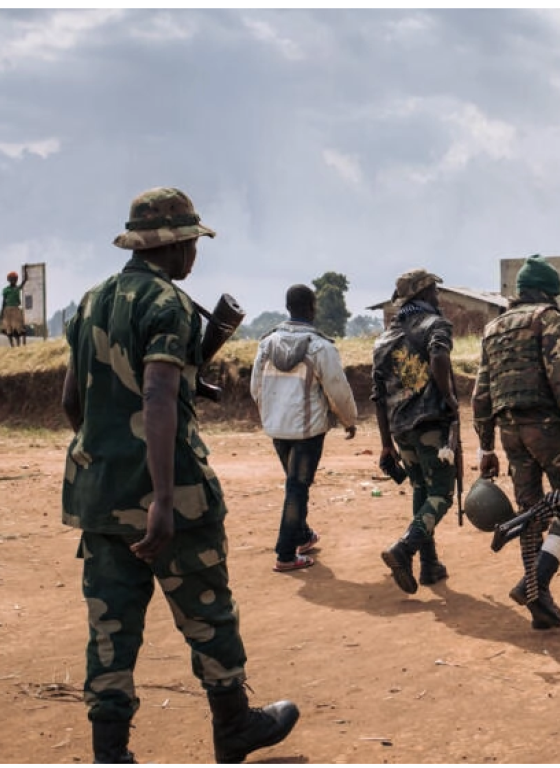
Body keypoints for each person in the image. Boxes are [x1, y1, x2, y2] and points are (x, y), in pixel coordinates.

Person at [60, 187, 299, 763]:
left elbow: (74, 402)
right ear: (174, 244)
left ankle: (110, 752)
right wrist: (162, 498)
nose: (195, 253)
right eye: (192, 241)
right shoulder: (167, 303)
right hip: (172, 496)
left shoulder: (92, 300)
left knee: (110, 630)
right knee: (208, 610)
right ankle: (234, 725)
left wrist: (108, 447)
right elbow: (159, 390)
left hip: (99, 494)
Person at [473, 254, 560, 630]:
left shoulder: (493, 327)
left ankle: (539, 601)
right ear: (549, 292)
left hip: (509, 431)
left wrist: (486, 447)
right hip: (547, 428)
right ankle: (538, 581)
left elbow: (481, 393)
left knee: (530, 512)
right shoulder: (546, 318)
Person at [250, 284, 359, 572]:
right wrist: (349, 420)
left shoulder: (266, 344)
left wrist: (271, 414)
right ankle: (286, 554)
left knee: (294, 486)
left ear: (288, 307)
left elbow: (255, 388)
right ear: (312, 307)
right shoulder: (320, 347)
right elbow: (337, 390)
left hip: (277, 428)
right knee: (297, 488)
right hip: (308, 432)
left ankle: (303, 534)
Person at [372, 269, 459, 595]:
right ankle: (405, 549)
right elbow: (438, 355)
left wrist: (385, 444)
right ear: (425, 293)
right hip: (430, 425)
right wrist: (449, 398)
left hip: (400, 430)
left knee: (421, 489)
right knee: (441, 494)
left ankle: (429, 564)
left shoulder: (383, 340)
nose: (438, 297)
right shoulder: (435, 325)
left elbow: (378, 397)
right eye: (435, 290)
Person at [2, 267, 27, 347]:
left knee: (18, 328)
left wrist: (26, 270)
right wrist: (2, 312)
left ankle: (19, 344)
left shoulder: (17, 288)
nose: (14, 280)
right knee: (9, 329)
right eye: (12, 279)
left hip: (16, 310)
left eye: (15, 279)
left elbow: (24, 281)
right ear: (9, 280)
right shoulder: (6, 290)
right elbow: (4, 301)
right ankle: (12, 345)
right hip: (8, 310)